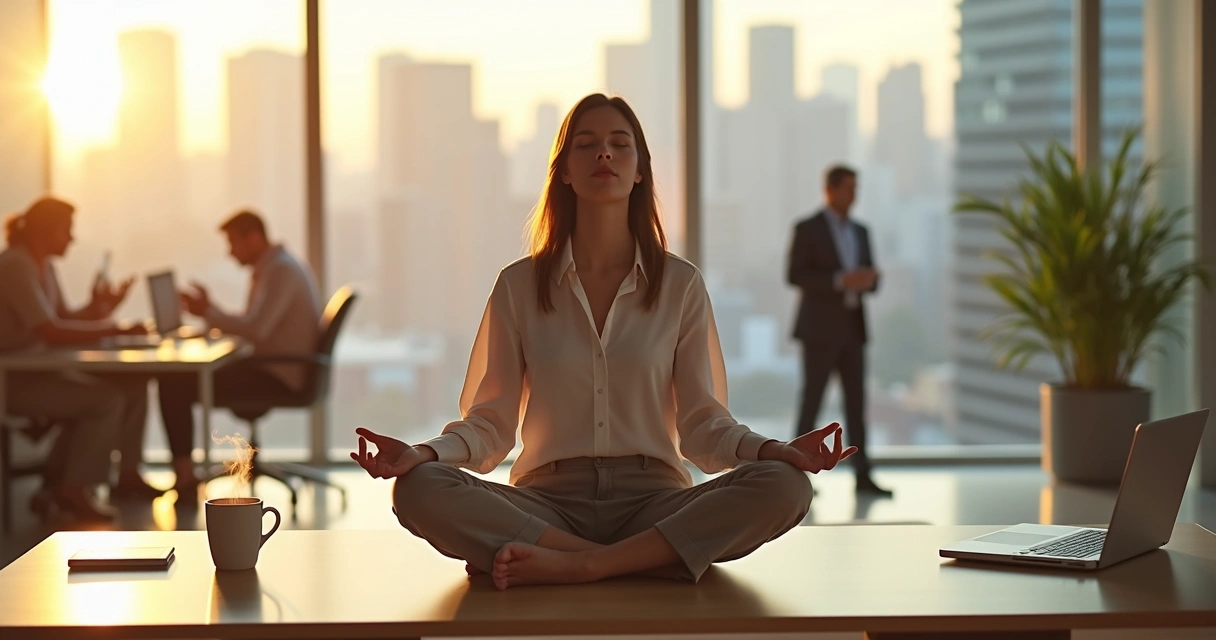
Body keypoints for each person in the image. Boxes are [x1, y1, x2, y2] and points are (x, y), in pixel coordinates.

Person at [351, 94, 856, 591]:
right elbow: (490, 423)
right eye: (586, 144)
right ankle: (643, 561)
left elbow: (704, 426)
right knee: (418, 489)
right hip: (546, 505)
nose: (604, 154)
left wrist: (773, 450)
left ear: (640, 170)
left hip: (654, 502)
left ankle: (575, 567)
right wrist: (423, 453)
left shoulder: (680, 284)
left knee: (786, 485)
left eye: (620, 144)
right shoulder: (518, 286)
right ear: (564, 170)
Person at [0, 196, 153, 520]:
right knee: (105, 401)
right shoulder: (16, 265)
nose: (72, 238)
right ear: (46, 231)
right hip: (14, 381)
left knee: (131, 390)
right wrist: (115, 328)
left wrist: (100, 308)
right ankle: (72, 489)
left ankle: (116, 477)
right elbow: (51, 330)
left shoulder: (44, 266)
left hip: (42, 373)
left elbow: (64, 317)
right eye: (67, 229)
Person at [157, 210, 321, 502]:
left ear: (254, 238)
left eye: (233, 243)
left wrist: (209, 313)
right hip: (271, 368)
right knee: (179, 378)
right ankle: (183, 475)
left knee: (174, 383)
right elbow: (255, 325)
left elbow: (257, 329)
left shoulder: (280, 271)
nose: (230, 253)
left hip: (277, 375)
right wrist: (212, 312)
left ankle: (184, 479)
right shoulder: (275, 267)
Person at [786, 165, 891, 497]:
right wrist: (839, 280)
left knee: (856, 405)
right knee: (811, 403)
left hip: (852, 329)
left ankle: (863, 477)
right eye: (848, 188)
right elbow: (795, 274)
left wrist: (868, 280)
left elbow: (870, 277)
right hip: (819, 331)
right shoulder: (807, 228)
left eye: (856, 188)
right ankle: (795, 475)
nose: (853, 195)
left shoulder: (861, 231)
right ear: (830, 190)